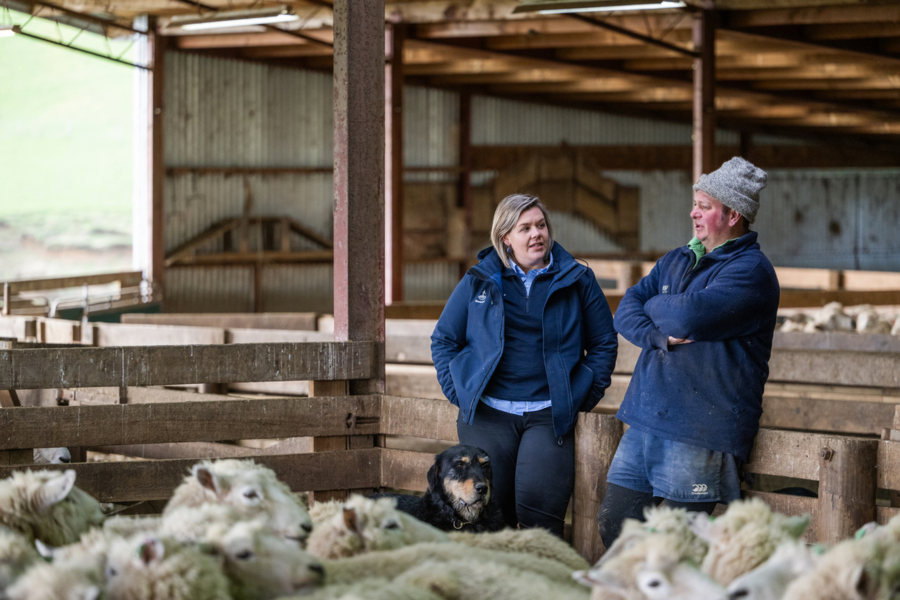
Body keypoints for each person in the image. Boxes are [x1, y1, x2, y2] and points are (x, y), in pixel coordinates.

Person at [596, 157, 780, 549]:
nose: (693, 213)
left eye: (705, 206)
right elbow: (626, 309)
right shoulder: (678, 259)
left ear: (733, 215)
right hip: (646, 417)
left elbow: (687, 316)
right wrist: (657, 335)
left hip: (699, 429)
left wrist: (661, 308)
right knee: (615, 526)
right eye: (695, 203)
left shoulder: (751, 272)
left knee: (674, 544)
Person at [431, 193, 618, 538]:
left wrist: (581, 396)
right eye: (525, 228)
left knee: (540, 519)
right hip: (488, 416)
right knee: (489, 518)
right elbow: (444, 339)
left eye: (541, 225)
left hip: (549, 415)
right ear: (506, 237)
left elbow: (604, 342)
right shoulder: (479, 280)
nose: (537, 234)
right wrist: (460, 392)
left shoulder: (578, 279)